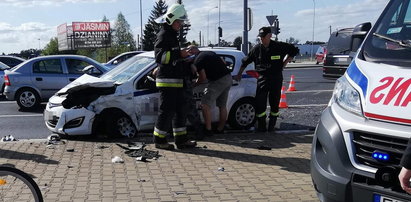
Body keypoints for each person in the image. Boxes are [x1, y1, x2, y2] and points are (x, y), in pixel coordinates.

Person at [234, 27, 299, 132]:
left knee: (274, 103)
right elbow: (245, 62)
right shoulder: (256, 49)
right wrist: (239, 74)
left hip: (276, 78)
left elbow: (294, 50)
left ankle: (272, 127)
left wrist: (285, 61)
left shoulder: (279, 46)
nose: (261, 39)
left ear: (269, 36)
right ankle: (262, 127)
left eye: (263, 37)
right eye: (260, 37)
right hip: (262, 78)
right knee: (260, 103)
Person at [152, 3, 196, 150]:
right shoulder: (164, 35)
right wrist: (180, 54)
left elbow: (173, 58)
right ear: (171, 20)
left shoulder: (172, 35)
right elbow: (160, 57)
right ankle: (159, 140)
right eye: (179, 21)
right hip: (167, 82)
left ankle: (181, 139)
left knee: (180, 110)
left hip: (176, 81)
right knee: (167, 110)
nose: (181, 24)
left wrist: (185, 57)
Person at [190, 46, 232, 135]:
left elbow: (202, 77)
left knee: (204, 104)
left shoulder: (198, 60)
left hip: (218, 81)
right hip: (228, 78)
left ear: (192, 52)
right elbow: (223, 62)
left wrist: (194, 85)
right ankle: (220, 129)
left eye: (189, 53)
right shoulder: (209, 53)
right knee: (222, 106)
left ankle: (208, 130)